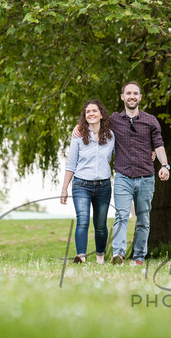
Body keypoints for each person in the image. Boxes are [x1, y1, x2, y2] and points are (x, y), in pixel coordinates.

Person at [73, 82, 169, 266]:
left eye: (135, 93)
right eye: (128, 93)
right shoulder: (114, 121)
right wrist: (78, 127)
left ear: (140, 97)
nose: (132, 96)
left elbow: (158, 144)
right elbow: (94, 123)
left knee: (143, 219)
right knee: (121, 216)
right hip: (123, 177)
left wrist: (165, 165)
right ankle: (119, 254)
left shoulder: (151, 121)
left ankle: (139, 257)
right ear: (122, 97)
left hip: (146, 177)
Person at [60, 100, 115, 264]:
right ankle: (81, 256)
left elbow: (125, 151)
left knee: (100, 224)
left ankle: (100, 258)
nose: (91, 114)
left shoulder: (111, 136)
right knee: (82, 220)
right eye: (87, 112)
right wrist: (64, 189)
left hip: (103, 186)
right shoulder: (78, 136)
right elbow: (71, 164)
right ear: (84, 116)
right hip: (81, 185)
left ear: (101, 114)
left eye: (94, 111)